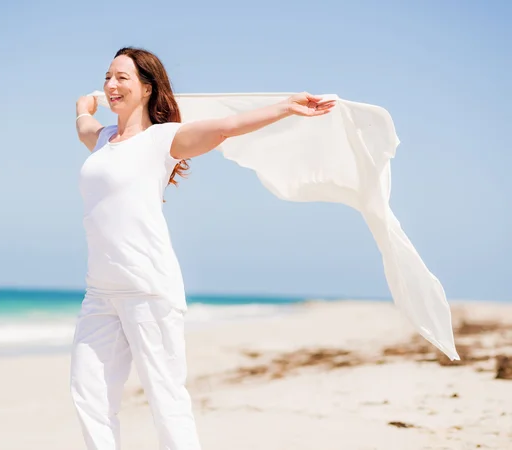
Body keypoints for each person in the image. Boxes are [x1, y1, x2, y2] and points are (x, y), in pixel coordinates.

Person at [70, 46, 336, 450]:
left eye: (122, 78)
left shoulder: (164, 140)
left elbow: (227, 126)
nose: (111, 85)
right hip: (100, 292)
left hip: (148, 289)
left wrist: (285, 107)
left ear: (147, 88)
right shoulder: (104, 139)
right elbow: (85, 126)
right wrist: (82, 108)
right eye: (107, 76)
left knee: (166, 400)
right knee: (89, 400)